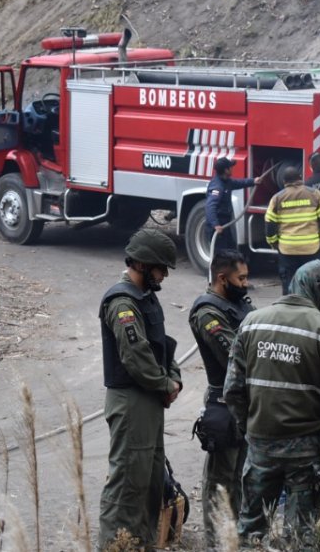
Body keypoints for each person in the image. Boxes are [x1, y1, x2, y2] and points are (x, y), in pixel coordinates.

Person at [223, 260, 320, 550]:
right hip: (306, 451)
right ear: (317, 289)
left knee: (251, 532)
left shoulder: (252, 322)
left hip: (260, 446)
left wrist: (250, 426)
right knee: (299, 536)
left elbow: (232, 390)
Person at [98, 229, 183, 550]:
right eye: (161, 268)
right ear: (145, 265)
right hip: (131, 401)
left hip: (148, 400)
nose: (164, 275)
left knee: (149, 483)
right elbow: (135, 354)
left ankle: (142, 544)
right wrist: (165, 383)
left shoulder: (145, 298)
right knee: (126, 485)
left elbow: (160, 347)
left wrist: (173, 378)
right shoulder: (122, 302)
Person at [188, 249, 254, 544]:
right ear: (221, 278)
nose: (245, 284)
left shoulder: (238, 305)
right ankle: (216, 542)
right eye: (240, 279)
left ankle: (234, 537)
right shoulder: (208, 313)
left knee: (238, 476)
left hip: (245, 403)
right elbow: (234, 358)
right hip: (224, 405)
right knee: (219, 482)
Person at [266, 165, 320, 294]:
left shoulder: (277, 198)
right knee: (312, 280)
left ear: (284, 181)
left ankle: (289, 305)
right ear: (300, 178)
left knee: (289, 281)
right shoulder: (314, 194)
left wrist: (273, 243)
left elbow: (269, 223)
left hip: (287, 248)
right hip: (311, 247)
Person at [206, 157, 263, 253]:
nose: (232, 168)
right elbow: (210, 207)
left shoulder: (226, 181)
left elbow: (238, 183)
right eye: (230, 167)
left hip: (225, 224)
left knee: (230, 250)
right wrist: (216, 225)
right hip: (219, 226)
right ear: (225, 170)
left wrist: (253, 181)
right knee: (222, 254)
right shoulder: (218, 186)